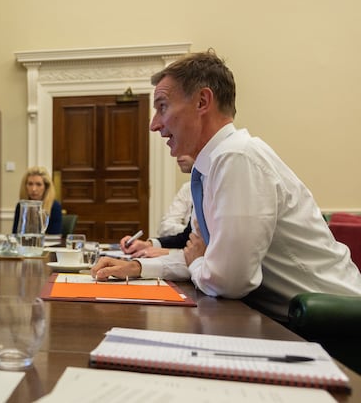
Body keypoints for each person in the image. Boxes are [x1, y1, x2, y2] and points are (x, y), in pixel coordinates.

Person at [92, 49, 361, 321]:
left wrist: (199, 260)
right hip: (298, 320)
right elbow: (205, 261)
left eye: (162, 106)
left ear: (202, 101)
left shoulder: (237, 157)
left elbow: (227, 280)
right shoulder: (211, 167)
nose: (154, 124)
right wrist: (138, 267)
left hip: (334, 325)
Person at [121, 155, 195, 258]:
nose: (175, 154)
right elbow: (167, 228)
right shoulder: (190, 188)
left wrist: (169, 253)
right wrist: (148, 244)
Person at [12, 166, 62, 235]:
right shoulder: (21, 206)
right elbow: (15, 234)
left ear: (46, 187)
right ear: (25, 186)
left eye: (38, 184)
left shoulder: (54, 206)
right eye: (30, 184)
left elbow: (55, 236)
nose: (34, 189)